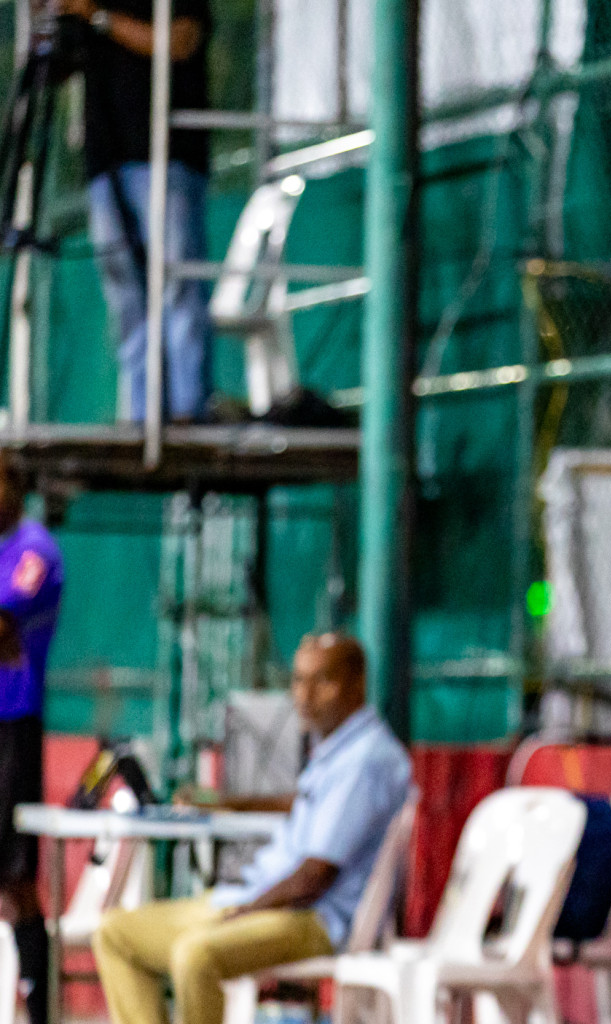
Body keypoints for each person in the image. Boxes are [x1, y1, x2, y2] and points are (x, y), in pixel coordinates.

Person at [92, 632, 412, 1024]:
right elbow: (303, 803)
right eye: (297, 680)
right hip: (263, 897)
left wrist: (247, 910)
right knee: (116, 933)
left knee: (195, 954)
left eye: (323, 681)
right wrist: (225, 801)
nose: (305, 695)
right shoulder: (338, 748)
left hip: (312, 918)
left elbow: (316, 876)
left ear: (357, 684)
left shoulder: (365, 760)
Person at [55, 0, 213, 422]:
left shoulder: (101, 9)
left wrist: (99, 18)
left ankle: (187, 411)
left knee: (177, 280)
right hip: (105, 161)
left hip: (167, 155)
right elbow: (57, 69)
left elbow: (183, 40)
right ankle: (142, 413)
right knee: (124, 290)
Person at [0, 453, 64, 1024]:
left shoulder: (35, 552)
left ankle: (39, 1007)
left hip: (12, 726)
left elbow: (5, 618)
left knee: (15, 880)